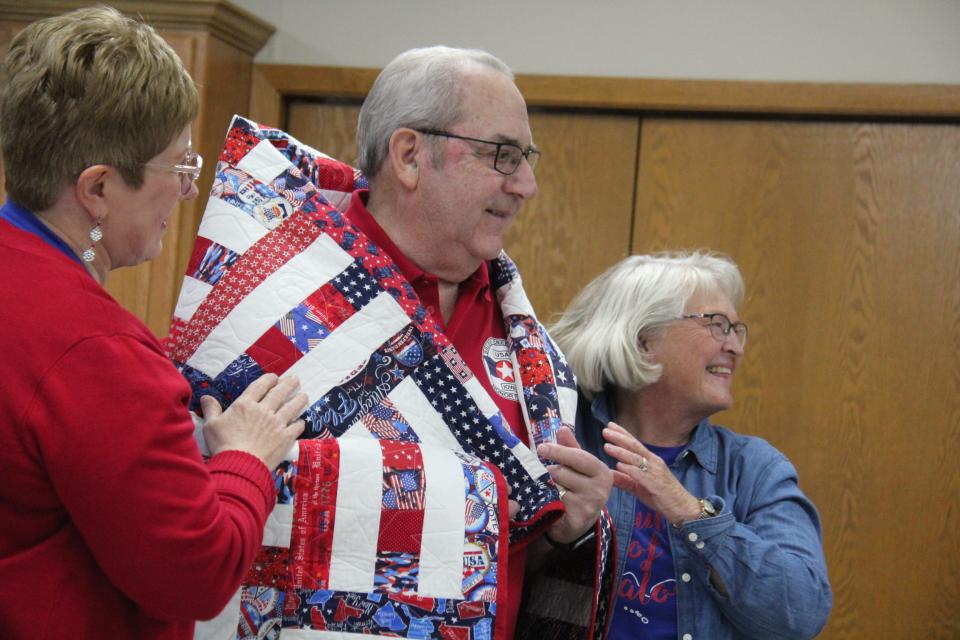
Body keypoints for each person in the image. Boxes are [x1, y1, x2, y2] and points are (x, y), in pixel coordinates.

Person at [0, 7, 307, 639]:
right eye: (180, 167)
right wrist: (247, 457)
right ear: (100, 188)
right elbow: (193, 575)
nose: (189, 191)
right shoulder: (94, 351)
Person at [347, 45, 612, 637]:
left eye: (527, 157)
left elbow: (514, 556)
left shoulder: (529, 348)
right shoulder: (285, 304)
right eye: (502, 155)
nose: (527, 185)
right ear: (411, 155)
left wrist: (566, 528)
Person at [551, 251, 832, 639]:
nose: (735, 346)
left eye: (736, 329)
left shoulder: (755, 470)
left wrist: (689, 511)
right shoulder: (557, 433)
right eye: (717, 325)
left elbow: (801, 612)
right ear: (643, 337)